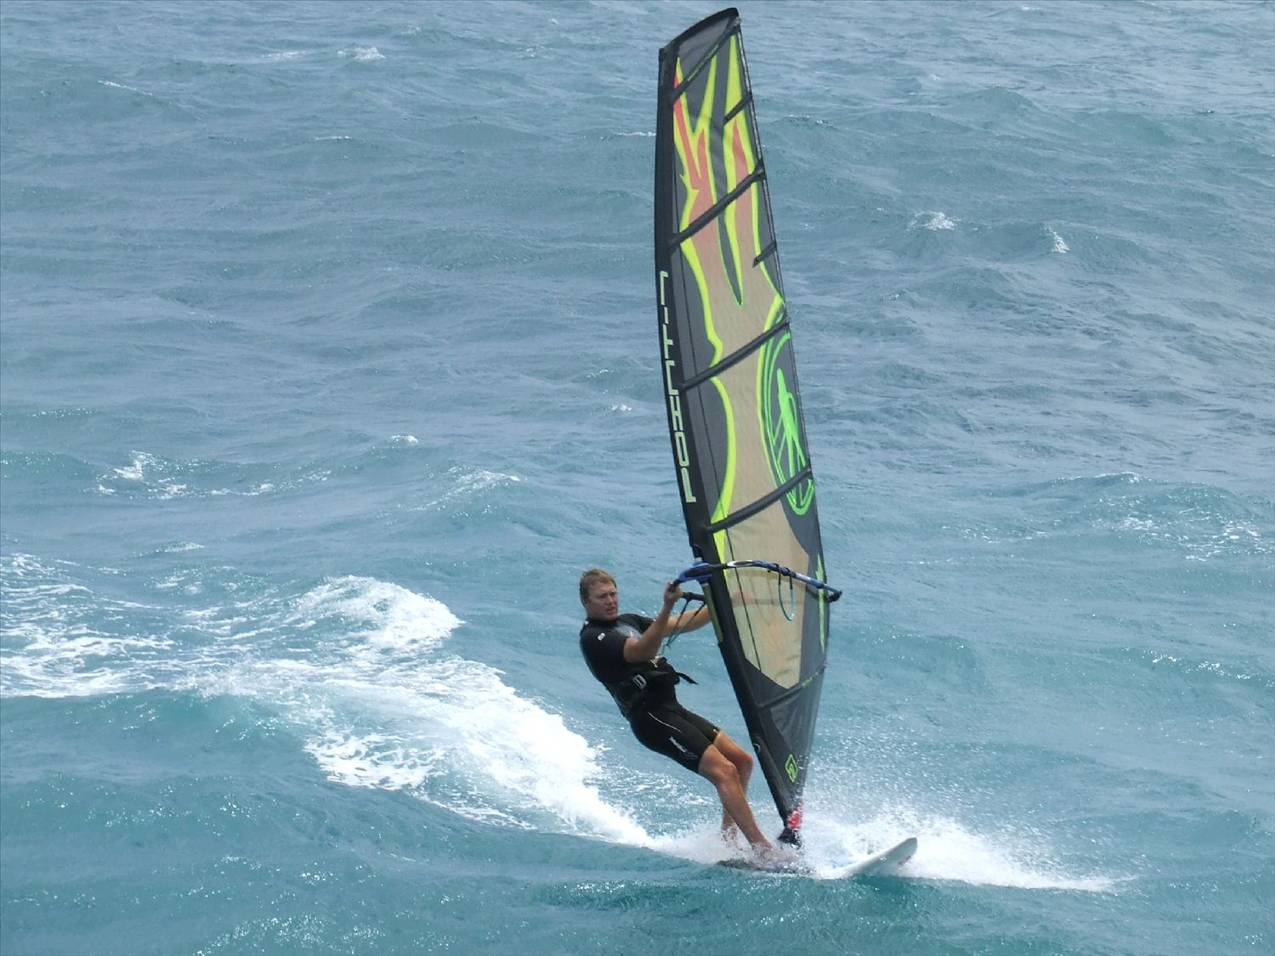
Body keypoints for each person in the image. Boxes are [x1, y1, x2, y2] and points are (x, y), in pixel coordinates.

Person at [577, 567, 773, 853]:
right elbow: (641, 652)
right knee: (725, 771)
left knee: (741, 762)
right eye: (602, 597)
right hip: (651, 718)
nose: (610, 601)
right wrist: (667, 604)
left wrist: (724, 604)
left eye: (613, 594)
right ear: (586, 602)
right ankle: (763, 849)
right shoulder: (594, 638)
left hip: (671, 708)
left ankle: (728, 840)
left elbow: (680, 623)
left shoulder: (627, 621)